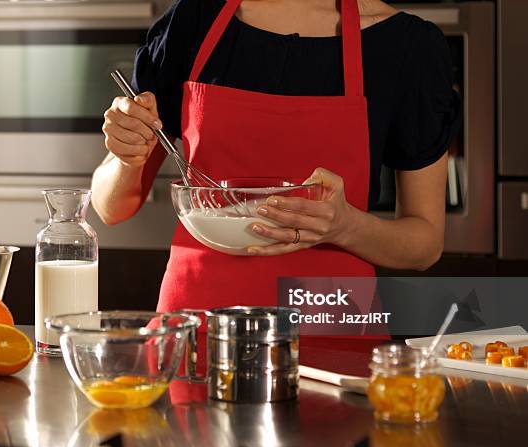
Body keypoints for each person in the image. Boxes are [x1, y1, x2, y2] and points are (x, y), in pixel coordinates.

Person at [92, 0, 460, 315]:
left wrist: (348, 227)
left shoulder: (406, 46)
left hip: (330, 329)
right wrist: (127, 156)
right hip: (198, 324)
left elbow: (425, 244)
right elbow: (111, 207)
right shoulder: (197, 20)